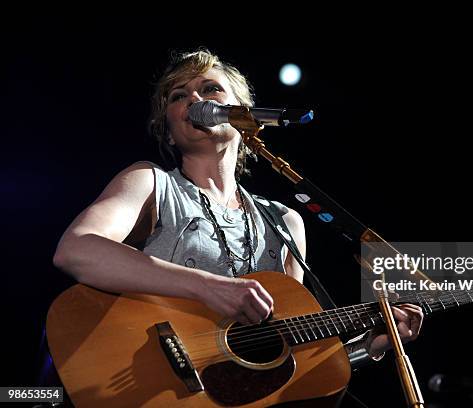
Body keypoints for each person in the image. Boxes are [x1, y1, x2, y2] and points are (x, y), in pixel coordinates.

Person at [52, 47, 423, 396]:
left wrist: (366, 348)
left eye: (210, 89)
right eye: (178, 96)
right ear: (166, 126)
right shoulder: (150, 181)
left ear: (243, 114)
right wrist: (209, 287)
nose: (194, 100)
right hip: (139, 382)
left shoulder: (286, 221)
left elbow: (281, 355)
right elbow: (76, 249)